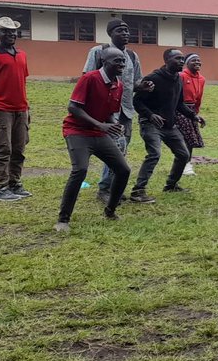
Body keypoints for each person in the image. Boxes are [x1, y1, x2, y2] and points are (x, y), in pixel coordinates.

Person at [56, 47, 131, 232]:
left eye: (123, 61)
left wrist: (114, 125)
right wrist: (100, 125)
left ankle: (110, 211)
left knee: (123, 170)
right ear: (105, 62)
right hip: (77, 131)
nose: (121, 64)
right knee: (80, 170)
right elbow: (73, 107)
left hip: (99, 134)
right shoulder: (90, 78)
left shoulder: (118, 84)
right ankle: (63, 220)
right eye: (117, 61)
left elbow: (109, 114)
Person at [84, 19, 151, 204]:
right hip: (105, 113)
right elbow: (87, 78)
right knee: (112, 150)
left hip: (126, 111)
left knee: (121, 151)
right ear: (110, 33)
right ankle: (105, 189)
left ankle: (114, 186)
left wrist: (143, 86)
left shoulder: (132, 55)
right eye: (120, 30)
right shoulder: (98, 51)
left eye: (127, 30)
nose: (125, 34)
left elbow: (135, 82)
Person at [130, 49, 204, 203]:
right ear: (167, 60)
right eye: (178, 59)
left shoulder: (177, 78)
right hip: (150, 124)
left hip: (169, 125)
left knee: (183, 154)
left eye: (183, 59)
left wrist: (193, 116)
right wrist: (150, 115)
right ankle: (138, 191)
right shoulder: (153, 78)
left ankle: (171, 185)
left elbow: (179, 104)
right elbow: (137, 101)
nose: (181, 62)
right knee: (154, 154)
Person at [0, 17, 31, 202]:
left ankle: (15, 183)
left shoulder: (21, 54)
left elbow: (22, 81)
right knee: (3, 148)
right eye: (6, 31)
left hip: (21, 109)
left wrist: (28, 108)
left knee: (19, 149)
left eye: (13, 31)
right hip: (0, 108)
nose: (11, 34)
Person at [179, 53, 207, 176]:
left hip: (192, 110)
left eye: (199, 60)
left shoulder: (202, 79)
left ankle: (187, 163)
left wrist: (196, 111)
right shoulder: (181, 76)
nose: (197, 62)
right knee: (185, 138)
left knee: (190, 139)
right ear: (187, 63)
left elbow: (199, 97)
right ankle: (183, 163)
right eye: (193, 60)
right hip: (180, 108)